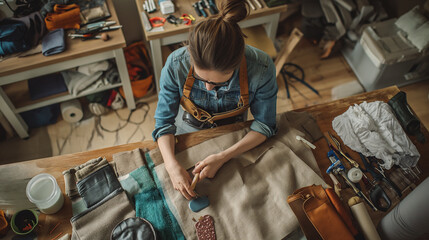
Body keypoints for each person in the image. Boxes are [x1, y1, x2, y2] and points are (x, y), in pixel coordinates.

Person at [152, 0, 278, 200]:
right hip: (186, 133)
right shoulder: (176, 64)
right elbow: (163, 123)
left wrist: (224, 156)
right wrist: (171, 165)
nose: (209, 88)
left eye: (218, 83)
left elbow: (265, 125)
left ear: (236, 64)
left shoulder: (261, 69)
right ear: (191, 57)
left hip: (235, 136)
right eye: (202, 80)